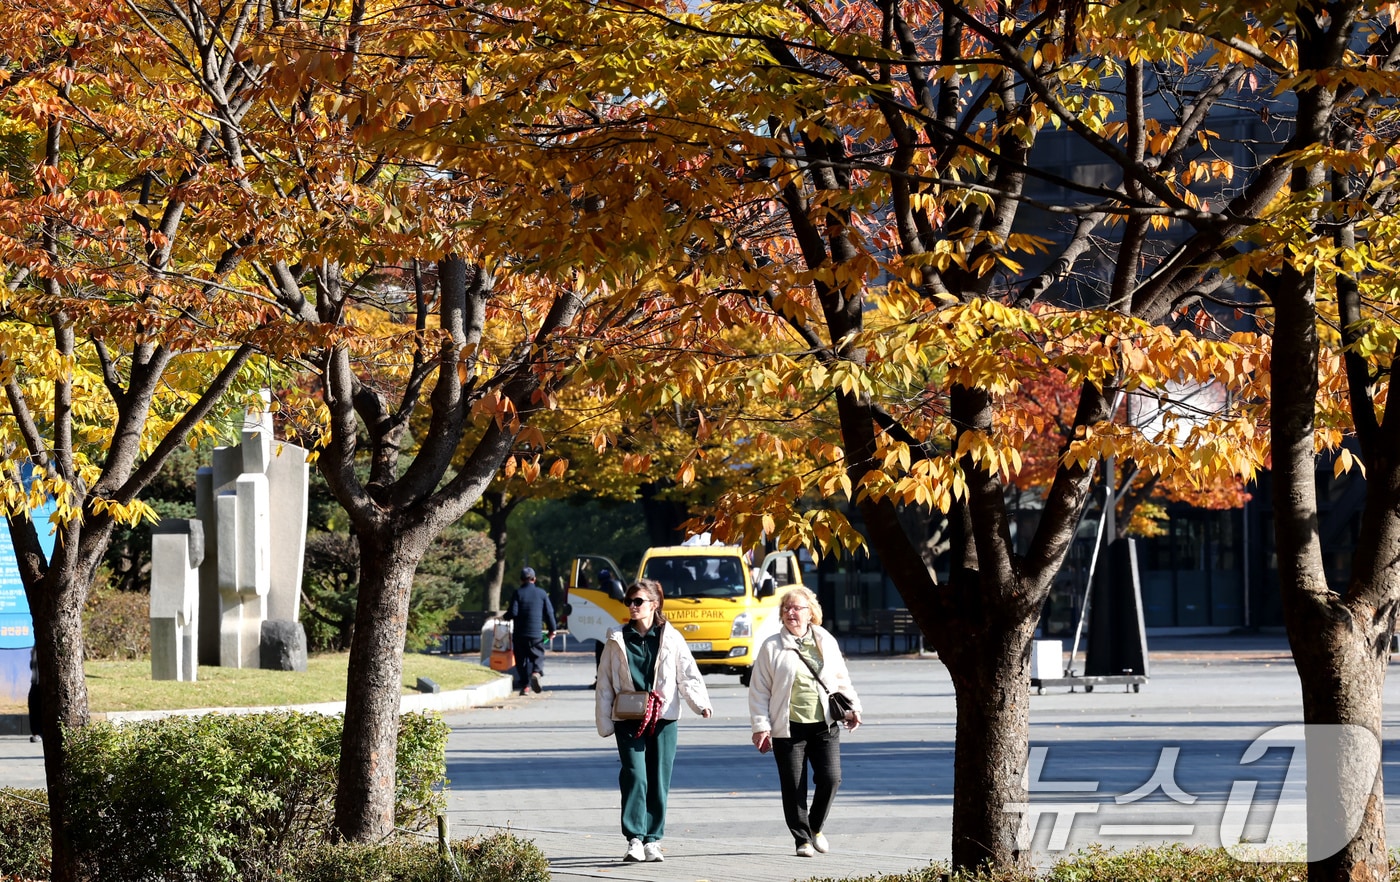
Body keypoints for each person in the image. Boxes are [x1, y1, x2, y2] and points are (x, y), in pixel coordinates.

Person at [595, 579, 713, 863]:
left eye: (638, 602)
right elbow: (605, 683)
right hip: (627, 716)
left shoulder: (670, 636)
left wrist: (701, 704)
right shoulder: (616, 638)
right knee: (635, 775)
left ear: (654, 604)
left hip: (663, 717)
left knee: (659, 779)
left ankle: (653, 840)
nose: (632, 607)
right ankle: (634, 839)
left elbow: (687, 672)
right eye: (629, 602)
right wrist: (604, 722)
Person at [749, 586, 861, 858]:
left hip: (824, 724)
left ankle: (815, 827)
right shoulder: (771, 646)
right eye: (786, 608)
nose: (790, 613)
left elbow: (840, 678)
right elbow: (759, 689)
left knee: (831, 779)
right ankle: (801, 839)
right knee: (793, 785)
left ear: (811, 612)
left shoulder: (825, 639)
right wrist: (761, 725)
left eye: (796, 608)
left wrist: (854, 707)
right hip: (788, 728)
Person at [505, 566, 556, 696]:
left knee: (521, 660)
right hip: (535, 633)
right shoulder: (542, 593)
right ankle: (536, 672)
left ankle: (525, 686)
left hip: (520, 634)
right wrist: (552, 630)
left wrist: (504, 617)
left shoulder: (518, 593)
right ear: (534, 579)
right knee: (537, 655)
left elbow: (513, 612)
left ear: (521, 580)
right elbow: (549, 613)